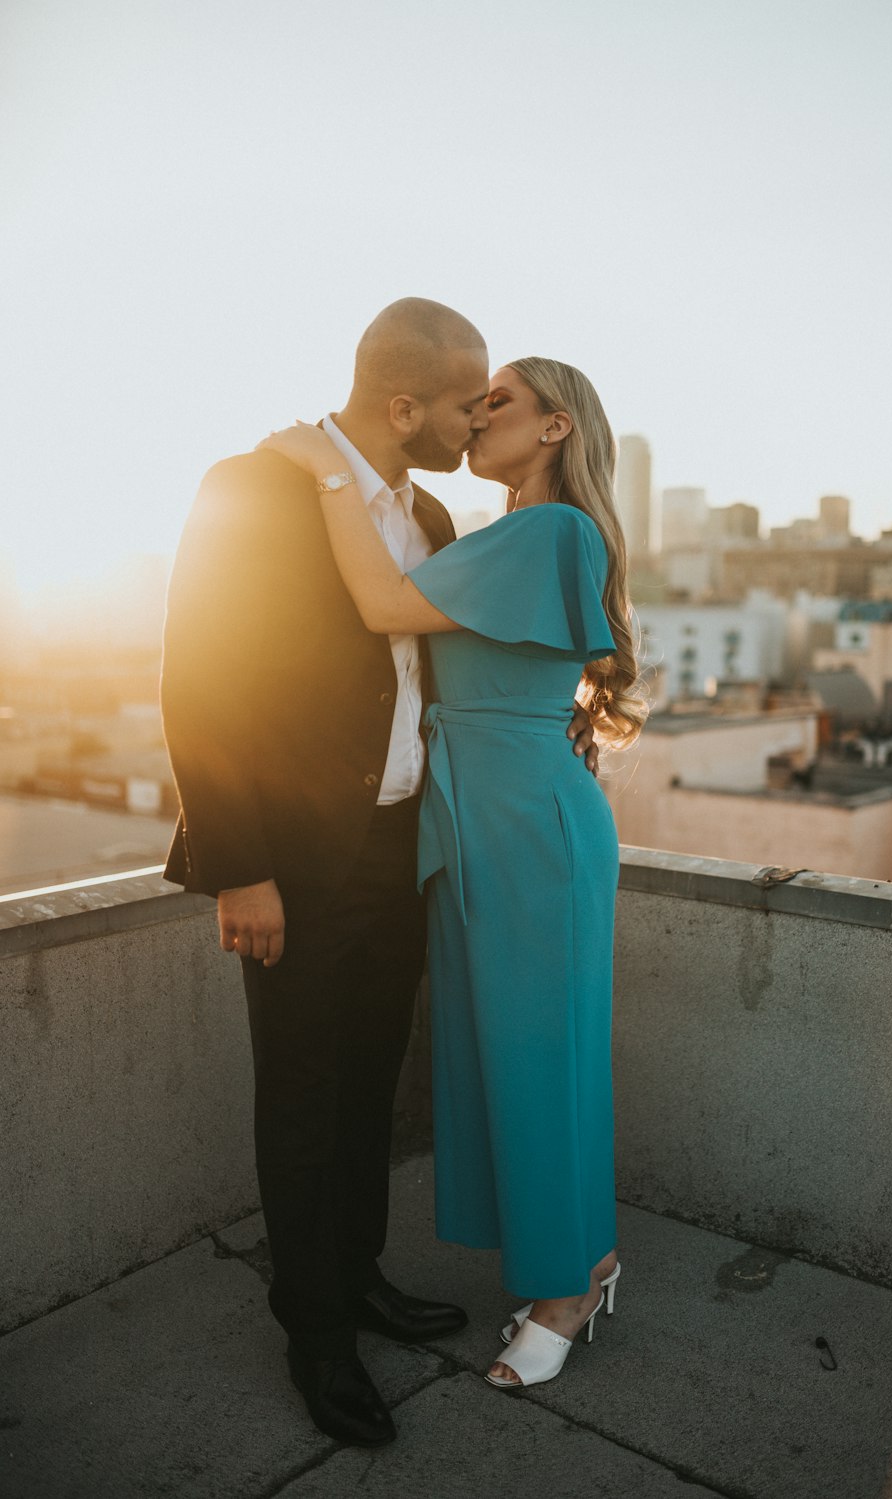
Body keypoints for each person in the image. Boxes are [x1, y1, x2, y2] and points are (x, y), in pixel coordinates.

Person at [159, 300, 599, 1447]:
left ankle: (354, 1277)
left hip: (405, 854)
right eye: (466, 403)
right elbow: (200, 683)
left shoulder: (441, 514)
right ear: (406, 403)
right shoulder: (251, 487)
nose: (472, 423)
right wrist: (239, 871)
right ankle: (314, 1331)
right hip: (294, 866)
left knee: (364, 1092)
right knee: (302, 1096)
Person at [261, 354, 646, 1390]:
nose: (479, 416)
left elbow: (383, 607)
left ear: (555, 427)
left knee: (544, 1058)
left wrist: (325, 468)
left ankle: (574, 1283)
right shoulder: (498, 534)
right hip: (482, 821)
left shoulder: (549, 529)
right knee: (507, 1059)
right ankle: (572, 1258)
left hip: (526, 828)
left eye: (501, 401)